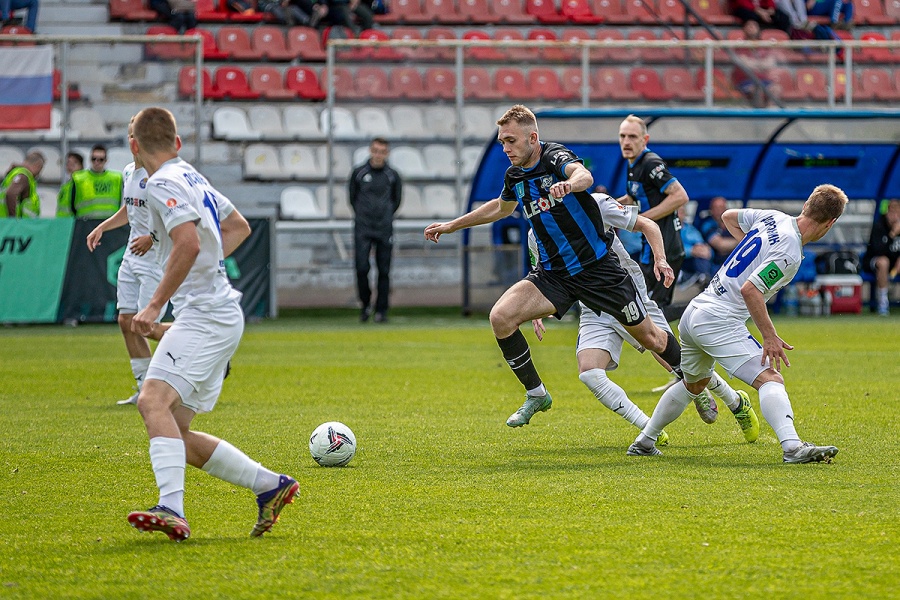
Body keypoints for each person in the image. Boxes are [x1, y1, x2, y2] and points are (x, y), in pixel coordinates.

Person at [424, 105, 682, 429]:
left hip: (598, 271)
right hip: (554, 275)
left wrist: (570, 184)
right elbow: (501, 208)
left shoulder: (554, 157)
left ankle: (693, 375)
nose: (505, 149)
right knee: (501, 317)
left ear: (532, 138)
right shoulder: (514, 175)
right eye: (502, 142)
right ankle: (536, 393)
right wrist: (452, 225)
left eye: (511, 141)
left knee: (652, 338)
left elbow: (584, 175)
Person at [124, 107, 297, 541]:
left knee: (151, 402)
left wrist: (155, 305)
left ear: (134, 146)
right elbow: (237, 227)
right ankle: (269, 485)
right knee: (175, 430)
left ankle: (171, 509)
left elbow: (186, 242)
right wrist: (203, 271)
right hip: (215, 314)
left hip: (205, 316)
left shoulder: (160, 181)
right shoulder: (191, 175)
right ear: (177, 142)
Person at [627, 184, 848, 463]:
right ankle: (792, 447)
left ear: (806, 205)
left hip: (696, 311)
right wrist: (770, 336)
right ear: (830, 223)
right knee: (770, 378)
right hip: (718, 320)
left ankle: (644, 441)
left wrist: (752, 252)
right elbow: (750, 290)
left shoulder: (773, 217)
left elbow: (728, 217)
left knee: (694, 385)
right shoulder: (790, 252)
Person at [529, 193, 753, 434]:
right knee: (589, 372)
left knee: (669, 356)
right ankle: (648, 429)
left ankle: (735, 402)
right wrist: (536, 310)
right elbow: (541, 275)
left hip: (625, 293)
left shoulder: (595, 204)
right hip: (593, 307)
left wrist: (660, 259)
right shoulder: (535, 234)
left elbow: (648, 224)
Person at [86, 118, 171, 406]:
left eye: (139, 134)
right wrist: (103, 227)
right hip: (131, 257)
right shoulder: (128, 172)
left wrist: (152, 237)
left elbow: (174, 217)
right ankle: (143, 388)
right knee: (126, 321)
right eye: (131, 134)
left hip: (154, 261)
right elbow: (129, 208)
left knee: (146, 326)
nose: (134, 139)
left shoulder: (160, 175)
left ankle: (203, 343)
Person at [617, 115, 688, 323]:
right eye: (622, 136)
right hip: (650, 247)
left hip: (665, 248)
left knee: (653, 309)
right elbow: (632, 197)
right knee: (645, 306)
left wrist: (641, 220)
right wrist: (604, 207)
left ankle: (696, 310)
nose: (626, 141)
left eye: (632, 137)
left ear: (644, 139)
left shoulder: (651, 163)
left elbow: (680, 196)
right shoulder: (632, 164)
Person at [350, 137, 402, 323]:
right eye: (375, 151)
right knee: (361, 267)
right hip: (363, 228)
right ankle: (365, 304)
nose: (378, 155)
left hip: (384, 228)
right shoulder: (359, 173)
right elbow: (352, 198)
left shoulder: (392, 175)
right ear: (370, 151)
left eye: (382, 152)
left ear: (387, 154)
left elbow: (396, 200)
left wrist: (384, 216)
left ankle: (381, 310)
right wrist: (364, 216)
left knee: (384, 270)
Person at [60, 145, 124, 219]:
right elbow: (72, 204)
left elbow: (120, 202)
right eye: (94, 159)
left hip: (110, 222)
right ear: (90, 159)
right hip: (85, 221)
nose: (97, 162)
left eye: (101, 159)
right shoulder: (78, 178)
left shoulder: (116, 178)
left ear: (106, 160)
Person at [731, 20, 782, 108]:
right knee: (756, 90)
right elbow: (745, 64)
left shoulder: (764, 45)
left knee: (776, 89)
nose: (751, 28)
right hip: (745, 81)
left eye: (754, 26)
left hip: (763, 80)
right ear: (744, 29)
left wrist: (754, 64)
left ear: (758, 29)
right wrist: (761, 64)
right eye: (749, 26)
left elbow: (770, 63)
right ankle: (758, 113)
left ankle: (769, 112)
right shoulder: (740, 45)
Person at [863, 199, 900, 316]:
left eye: (898, 214)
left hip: (894, 264)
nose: (895, 217)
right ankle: (883, 303)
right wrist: (893, 234)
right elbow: (879, 250)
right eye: (892, 213)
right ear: (887, 213)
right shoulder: (879, 226)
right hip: (874, 262)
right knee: (883, 262)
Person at [698, 196, 739, 271]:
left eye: (721, 207)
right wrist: (742, 241)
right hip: (716, 265)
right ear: (711, 210)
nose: (719, 211)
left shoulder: (733, 222)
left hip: (736, 262)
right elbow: (721, 245)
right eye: (716, 208)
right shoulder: (707, 224)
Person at [679, 204, 714, 287]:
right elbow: (669, 249)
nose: (678, 214)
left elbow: (702, 245)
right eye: (676, 212)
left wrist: (706, 251)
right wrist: (691, 251)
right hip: (678, 260)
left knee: (703, 255)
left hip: (693, 261)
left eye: (681, 212)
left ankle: (704, 278)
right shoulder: (667, 230)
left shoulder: (690, 229)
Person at [0, 151, 44, 219]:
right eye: (40, 169)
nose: (39, 173)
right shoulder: (23, 176)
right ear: (37, 165)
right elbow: (10, 193)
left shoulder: (15, 173)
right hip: (17, 224)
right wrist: (13, 220)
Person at [56, 152, 84, 218]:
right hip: (62, 220)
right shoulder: (65, 186)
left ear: (81, 165)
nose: (71, 165)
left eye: (75, 162)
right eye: (68, 162)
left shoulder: (84, 184)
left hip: (75, 221)